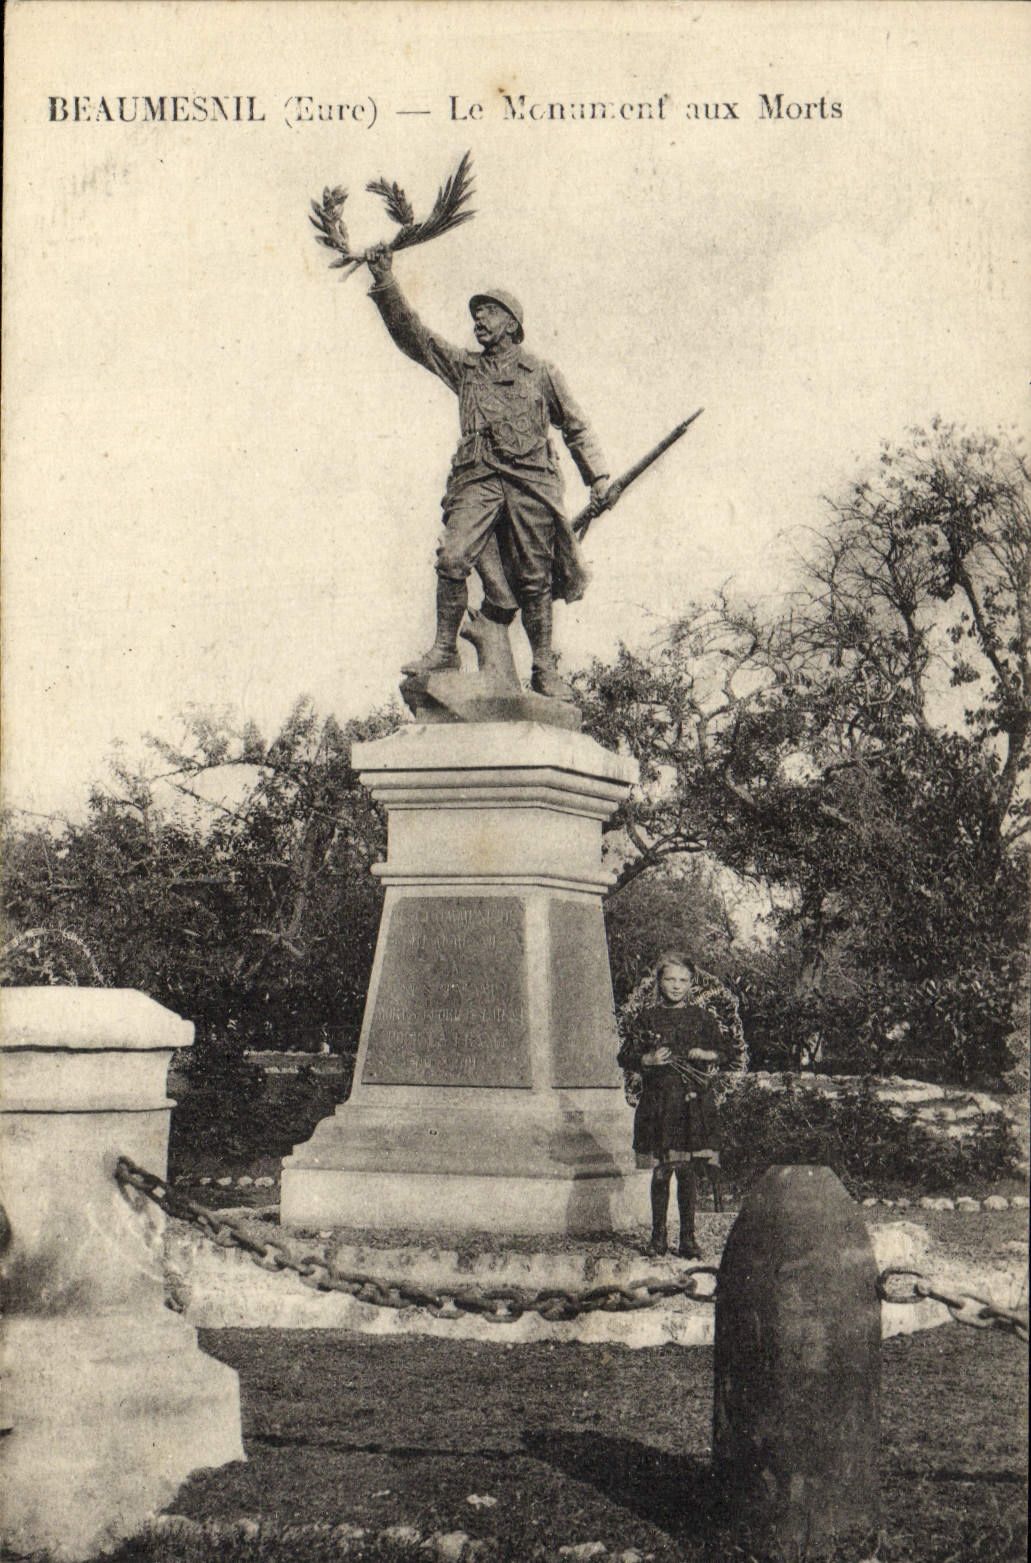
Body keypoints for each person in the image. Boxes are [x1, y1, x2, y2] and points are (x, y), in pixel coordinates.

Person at [365, 244, 610, 698]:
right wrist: (386, 282)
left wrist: (598, 477)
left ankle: (544, 668)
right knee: (453, 557)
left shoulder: (541, 373)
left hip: (531, 482)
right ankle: (444, 649)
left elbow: (575, 426)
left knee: (536, 577)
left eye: (489, 312)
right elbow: (414, 337)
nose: (479, 319)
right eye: (476, 313)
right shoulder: (466, 368)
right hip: (477, 477)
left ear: (513, 324)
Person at [616, 952, 736, 1258]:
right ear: (658, 982)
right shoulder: (647, 1018)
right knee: (662, 1170)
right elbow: (625, 1056)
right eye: (669, 979)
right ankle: (658, 1237)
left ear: (692, 984)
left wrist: (706, 1055)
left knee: (687, 1171)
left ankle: (688, 1238)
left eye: (683, 980)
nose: (676, 986)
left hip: (692, 1104)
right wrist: (648, 1059)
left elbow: (726, 1052)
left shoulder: (702, 1017)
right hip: (659, 1105)